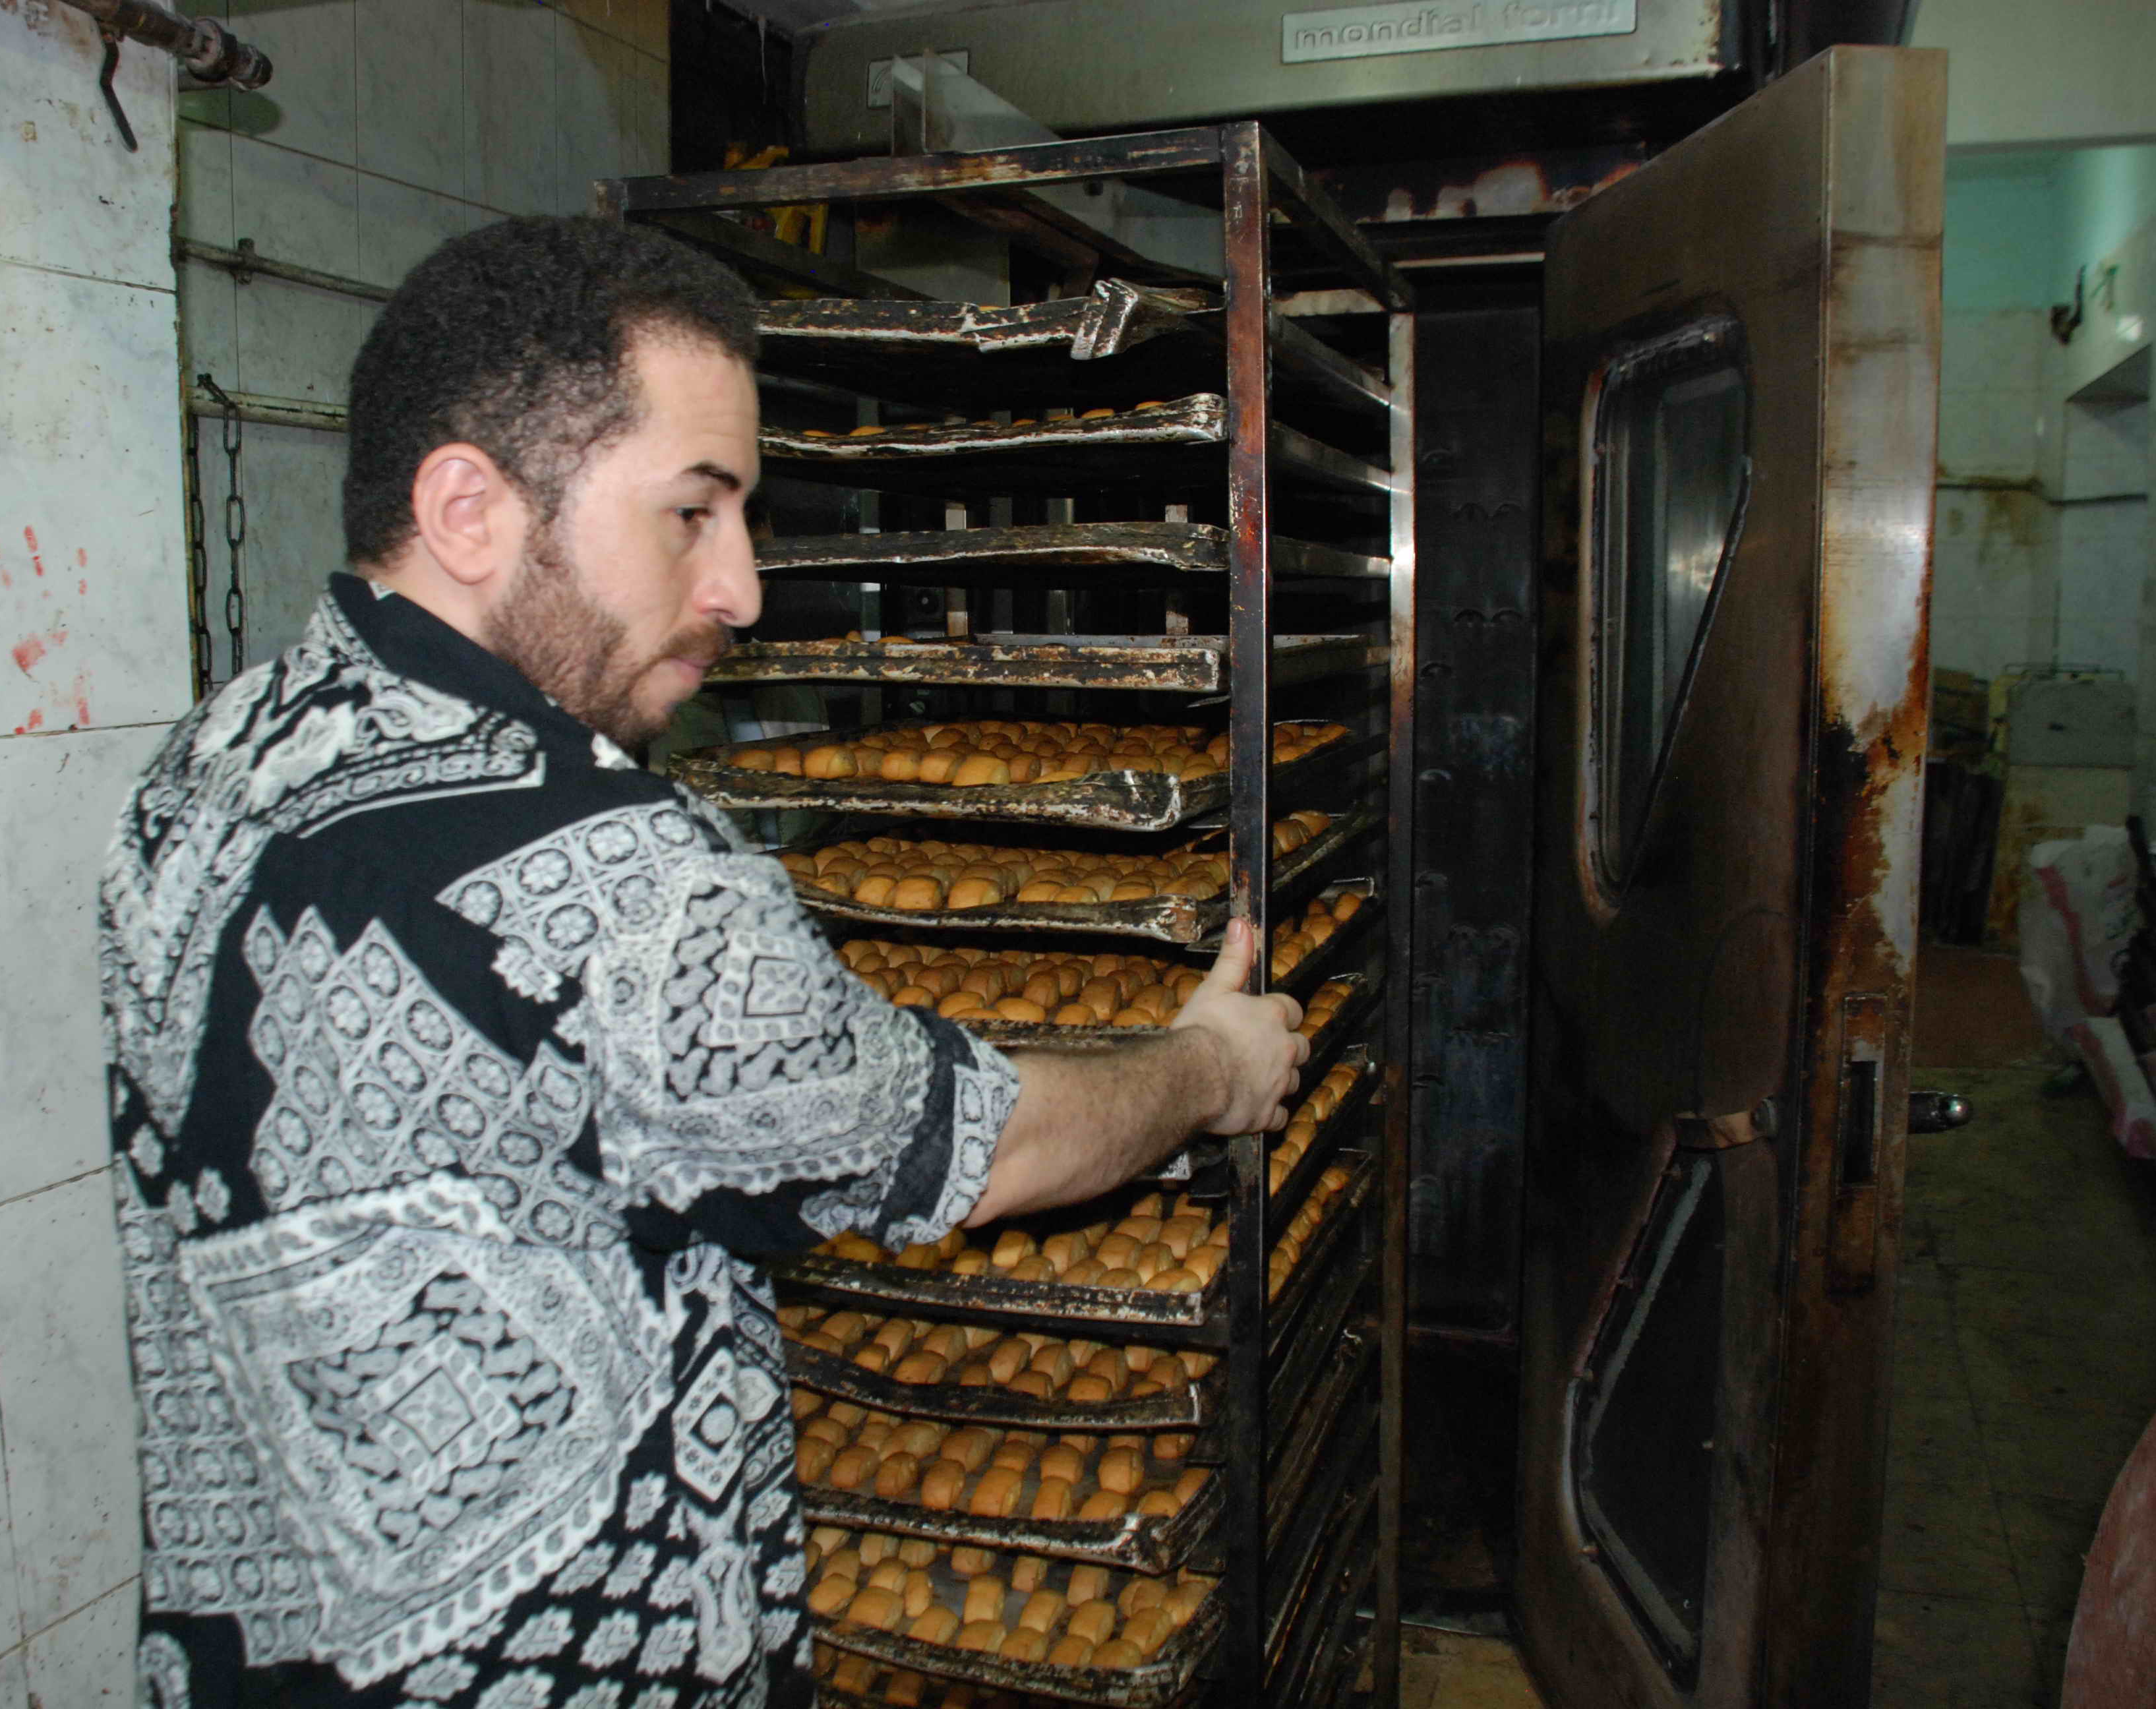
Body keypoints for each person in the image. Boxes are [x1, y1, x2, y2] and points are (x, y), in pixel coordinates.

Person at [98, 216, 1305, 1709]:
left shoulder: (203, 771)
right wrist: (1208, 1069)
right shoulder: (614, 875)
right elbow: (973, 1148)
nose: (740, 587)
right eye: (692, 513)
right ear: (468, 509)